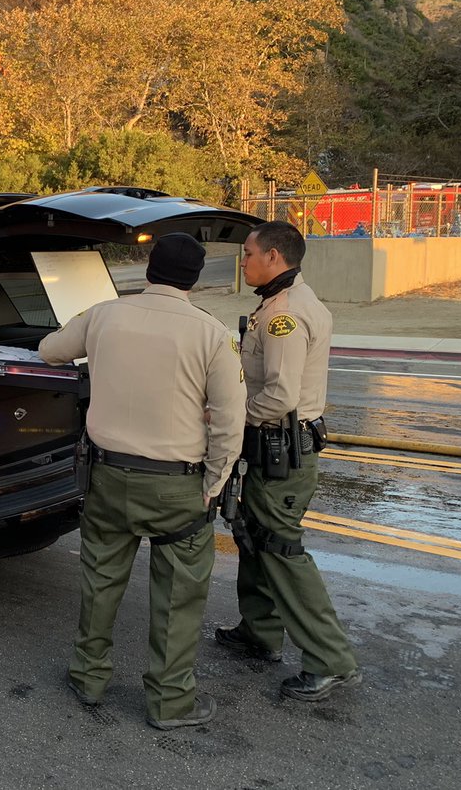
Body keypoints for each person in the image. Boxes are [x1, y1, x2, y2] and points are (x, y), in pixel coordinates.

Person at [39, 233, 245, 731]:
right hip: (178, 486)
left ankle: (87, 677)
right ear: (195, 278)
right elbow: (229, 421)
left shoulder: (104, 314)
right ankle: (169, 703)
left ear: (149, 268)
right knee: (178, 596)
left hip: (107, 477)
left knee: (100, 581)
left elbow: (49, 351)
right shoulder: (212, 334)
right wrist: (213, 484)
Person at [216, 221, 360, 701]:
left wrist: (232, 425)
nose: (244, 261)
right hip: (274, 448)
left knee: (281, 549)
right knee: (254, 537)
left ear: (274, 256)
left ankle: (331, 661)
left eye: (249, 254)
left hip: (281, 449)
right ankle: (259, 634)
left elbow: (278, 395)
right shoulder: (280, 303)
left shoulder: (286, 315)